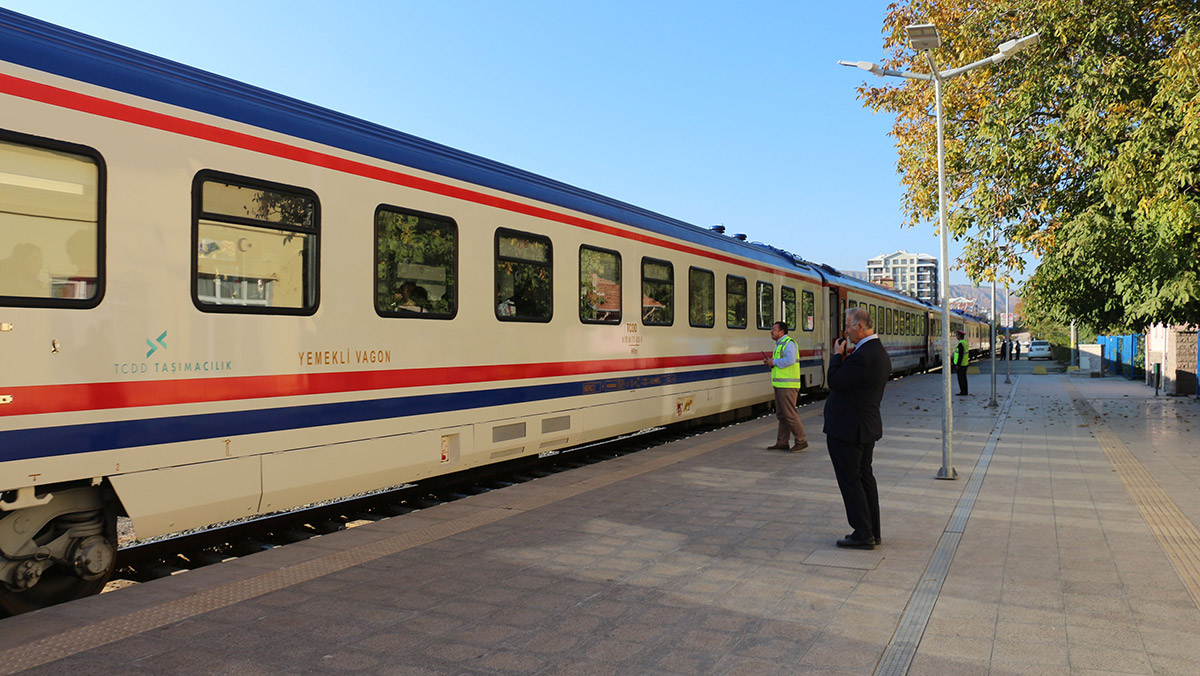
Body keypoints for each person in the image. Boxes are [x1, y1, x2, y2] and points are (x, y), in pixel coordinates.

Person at [824, 307, 891, 550]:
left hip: (848, 429)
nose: (847, 333)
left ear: (860, 326)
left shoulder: (862, 356)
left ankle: (863, 532)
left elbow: (835, 381)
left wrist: (836, 356)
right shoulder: (877, 352)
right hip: (863, 427)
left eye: (849, 328)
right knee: (864, 478)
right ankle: (872, 530)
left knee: (851, 480)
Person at [762, 321, 807, 451]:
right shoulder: (780, 344)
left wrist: (773, 362)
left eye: (774, 329)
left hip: (788, 385)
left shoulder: (789, 343)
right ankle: (782, 442)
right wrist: (771, 363)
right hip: (780, 384)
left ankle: (801, 439)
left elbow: (790, 360)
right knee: (782, 415)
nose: (771, 331)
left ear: (782, 331)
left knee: (790, 414)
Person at [953, 329, 970, 396]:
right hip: (964, 363)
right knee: (964, 378)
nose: (956, 337)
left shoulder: (960, 344)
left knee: (961, 379)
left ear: (959, 336)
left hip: (961, 364)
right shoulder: (965, 342)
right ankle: (964, 391)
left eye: (957, 335)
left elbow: (960, 355)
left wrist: (958, 364)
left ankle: (963, 392)